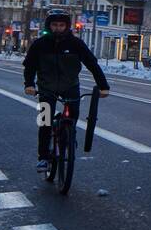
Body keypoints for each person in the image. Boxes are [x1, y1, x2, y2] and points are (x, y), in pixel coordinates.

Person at [23, 9, 110, 172]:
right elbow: (29, 66)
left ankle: (68, 137)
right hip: (46, 87)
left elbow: (92, 64)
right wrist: (29, 84)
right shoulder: (40, 44)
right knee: (45, 121)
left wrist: (103, 86)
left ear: (67, 26)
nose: (58, 28)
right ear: (49, 25)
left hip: (70, 86)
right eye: (54, 25)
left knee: (73, 113)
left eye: (61, 25)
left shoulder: (75, 44)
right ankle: (43, 157)